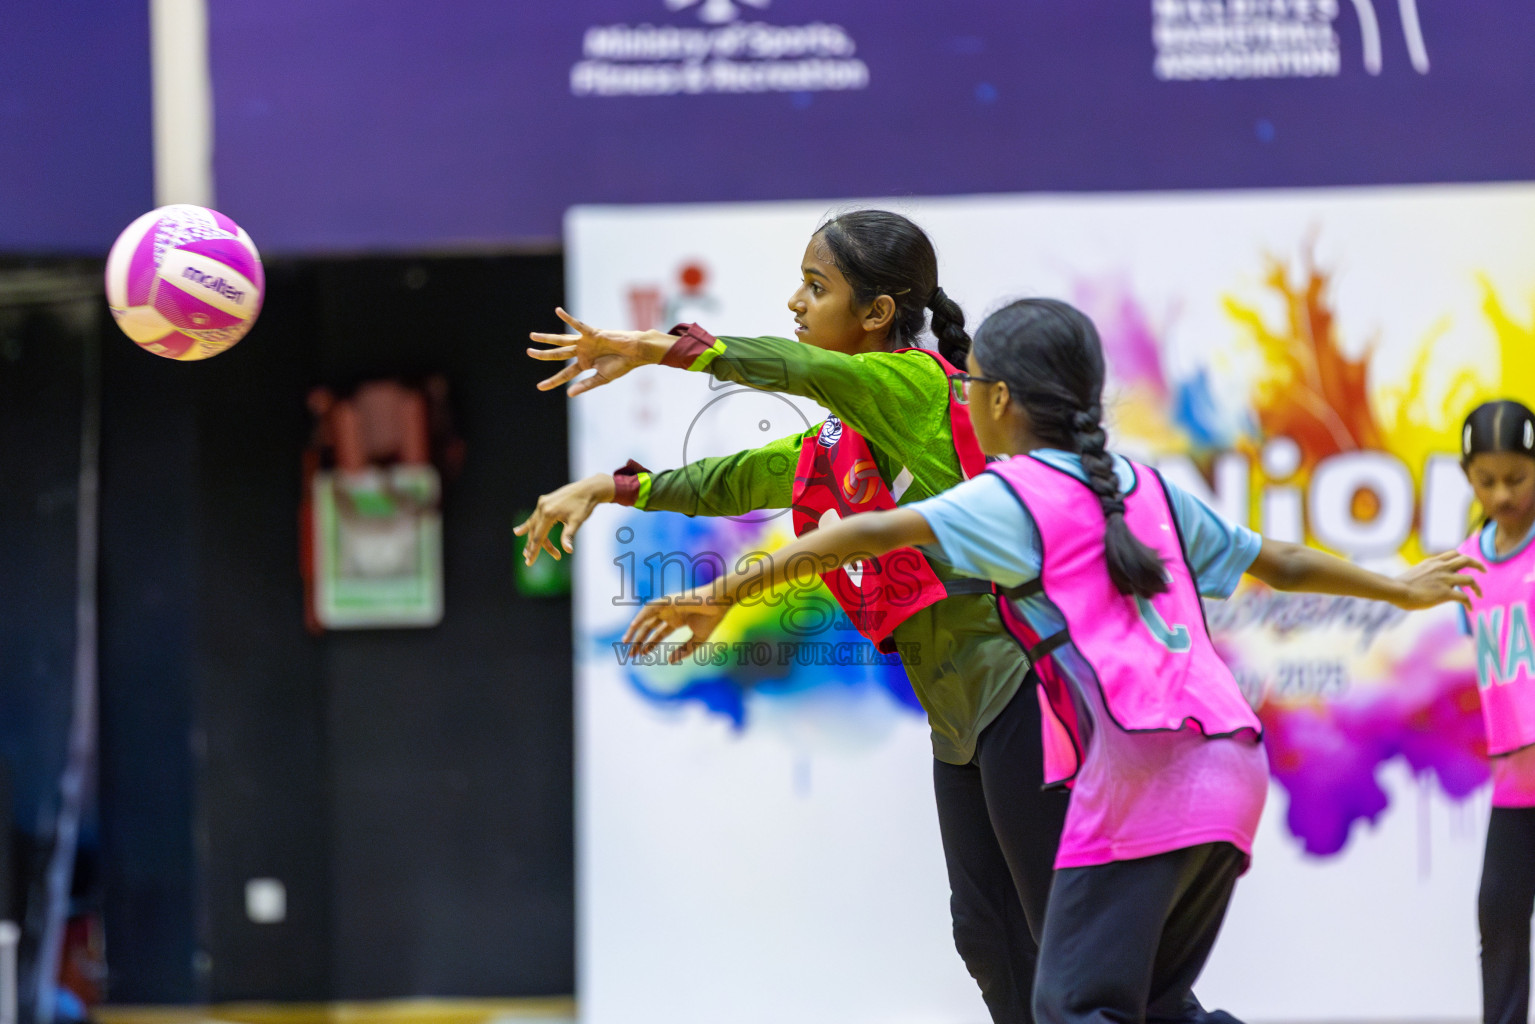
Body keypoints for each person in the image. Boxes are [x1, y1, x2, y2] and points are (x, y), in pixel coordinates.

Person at [621, 298, 1483, 1024]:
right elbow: (1280, 562)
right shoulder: (1140, 485)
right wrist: (1397, 589)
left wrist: (723, 592)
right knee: (1146, 1005)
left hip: (1142, 772)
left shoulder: (1014, 494)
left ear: (993, 399)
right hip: (1228, 766)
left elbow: (865, 531)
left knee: (1069, 1006)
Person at [517, 211, 1067, 1023]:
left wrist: (652, 347)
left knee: (1071, 945)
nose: (795, 303)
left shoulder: (916, 385)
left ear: (878, 313)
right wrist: (606, 487)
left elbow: (800, 367)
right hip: (960, 722)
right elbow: (731, 479)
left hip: (1026, 691)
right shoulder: (844, 441)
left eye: (816, 287)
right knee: (987, 936)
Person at [1455, 399, 1535, 1024]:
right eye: (1487, 480)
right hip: (1513, 783)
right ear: (1468, 477)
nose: (1503, 492)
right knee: (1500, 919)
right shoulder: (1467, 564)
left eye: (1518, 476)